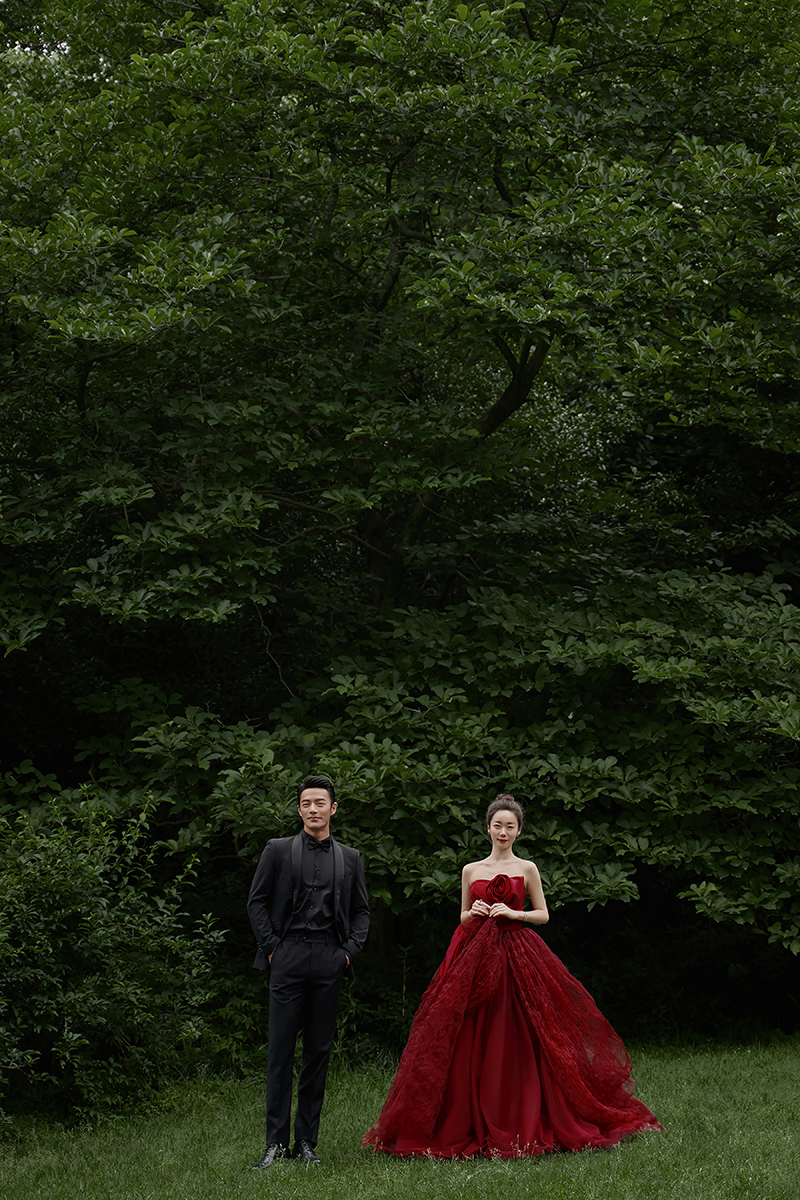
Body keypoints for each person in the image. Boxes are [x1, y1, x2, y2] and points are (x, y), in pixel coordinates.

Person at [363, 794, 661, 1158]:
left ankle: (524, 1109)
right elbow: (462, 917)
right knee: (471, 1030)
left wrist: (514, 913)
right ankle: (469, 1113)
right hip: (475, 957)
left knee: (521, 1028)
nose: (503, 832)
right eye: (497, 825)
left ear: (519, 831)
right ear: (487, 828)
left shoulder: (527, 868)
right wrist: (474, 911)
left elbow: (543, 915)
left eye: (510, 826)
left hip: (518, 953)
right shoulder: (471, 869)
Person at [248, 775, 370, 1168]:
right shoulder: (278, 850)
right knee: (280, 1053)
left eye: (320, 803)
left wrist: (347, 954)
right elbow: (256, 902)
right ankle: (274, 1144)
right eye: (306, 803)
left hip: (329, 959)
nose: (313, 809)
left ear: (333, 809)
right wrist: (273, 948)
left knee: (318, 1053)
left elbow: (361, 912)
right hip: (287, 956)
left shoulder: (350, 857)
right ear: (299, 809)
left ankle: (305, 1142)